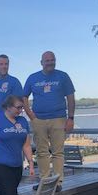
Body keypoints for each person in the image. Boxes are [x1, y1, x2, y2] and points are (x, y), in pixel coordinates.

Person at [24, 51, 75, 186]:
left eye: (52, 60)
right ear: (41, 62)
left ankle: (58, 182)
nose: (50, 63)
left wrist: (70, 118)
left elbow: (70, 97)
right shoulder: (32, 78)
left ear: (55, 61)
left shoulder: (63, 76)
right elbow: (24, 97)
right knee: (41, 152)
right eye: (47, 60)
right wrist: (30, 114)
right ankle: (45, 180)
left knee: (58, 152)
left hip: (59, 119)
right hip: (38, 120)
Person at [0, 54, 22, 120]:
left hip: (9, 123)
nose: (4, 66)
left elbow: (19, 105)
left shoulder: (14, 82)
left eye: (6, 64)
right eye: (1, 64)